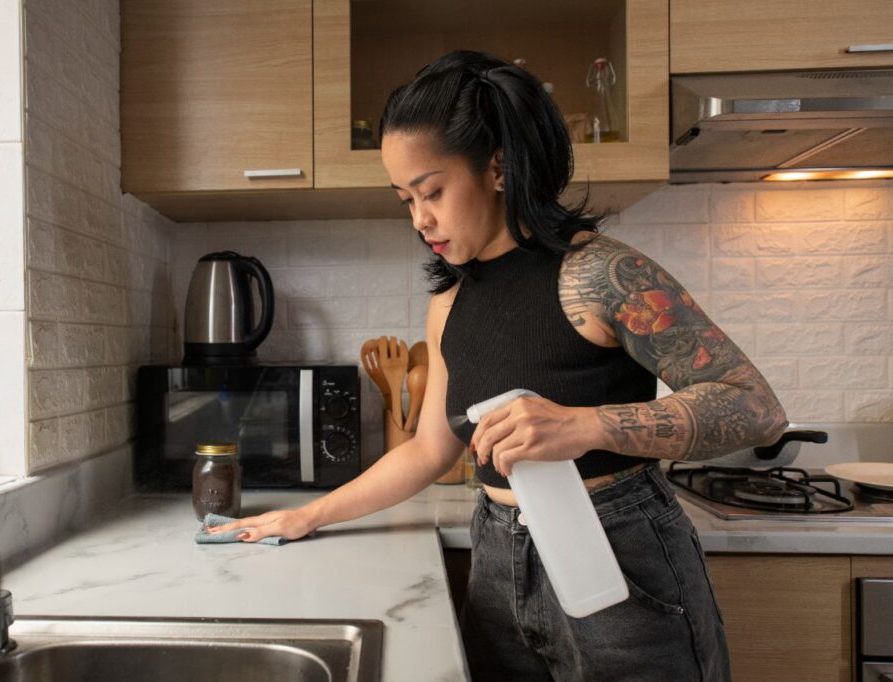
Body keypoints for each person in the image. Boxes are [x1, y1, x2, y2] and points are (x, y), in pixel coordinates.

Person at [207, 50, 788, 681]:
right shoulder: (448, 303)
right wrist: (306, 514)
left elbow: (755, 406)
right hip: (497, 561)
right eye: (405, 198)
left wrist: (588, 425)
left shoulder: (601, 274)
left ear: (499, 168)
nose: (419, 218)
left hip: (620, 554)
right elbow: (428, 449)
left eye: (432, 191)